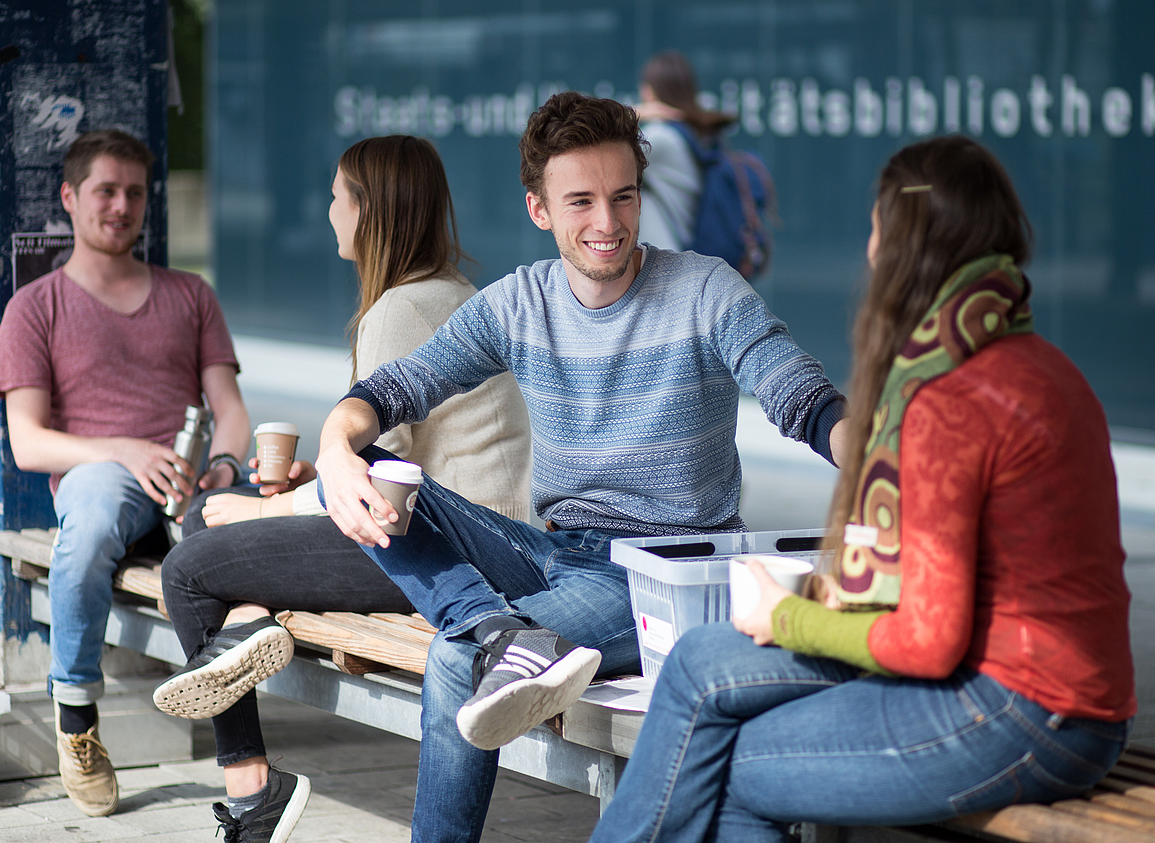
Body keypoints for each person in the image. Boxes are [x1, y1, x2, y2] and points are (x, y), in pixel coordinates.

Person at [297, 90, 849, 843]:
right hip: (550, 549)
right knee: (358, 456)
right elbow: (388, 391)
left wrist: (883, 468)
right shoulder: (518, 303)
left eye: (623, 197)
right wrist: (334, 450)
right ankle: (498, 627)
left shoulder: (704, 290)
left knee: (457, 664)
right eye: (581, 201)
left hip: (651, 573)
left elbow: (802, 396)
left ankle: (486, 634)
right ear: (539, 209)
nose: (608, 223)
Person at [587, 135, 1136, 843]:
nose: (869, 252)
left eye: (876, 229)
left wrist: (787, 616)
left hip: (1026, 708)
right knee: (698, 662)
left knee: (727, 764)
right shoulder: (1039, 364)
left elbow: (930, 640)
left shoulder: (953, 399)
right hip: (1051, 694)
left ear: (903, 247)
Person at [153, 134, 532, 843]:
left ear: (369, 210)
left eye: (336, 196)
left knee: (190, 562)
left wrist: (263, 507)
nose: (328, 210)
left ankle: (252, 791)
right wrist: (301, 482)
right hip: (464, 534)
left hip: (434, 555)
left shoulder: (399, 310)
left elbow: (372, 499)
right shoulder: (449, 294)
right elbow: (378, 463)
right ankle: (250, 618)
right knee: (214, 521)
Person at [0, 129, 250, 818]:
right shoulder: (34, 306)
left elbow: (231, 411)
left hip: (189, 481)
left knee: (255, 536)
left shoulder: (191, 295)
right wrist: (125, 449)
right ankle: (76, 717)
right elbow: (29, 443)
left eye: (134, 192)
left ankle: (247, 762)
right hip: (102, 476)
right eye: (106, 190)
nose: (121, 205)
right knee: (94, 516)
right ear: (71, 197)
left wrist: (223, 464)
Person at [634, 50, 738, 253]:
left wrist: (633, 113)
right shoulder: (697, 132)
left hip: (668, 256)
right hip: (688, 249)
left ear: (650, 92)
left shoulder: (660, 138)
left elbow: (601, 154)